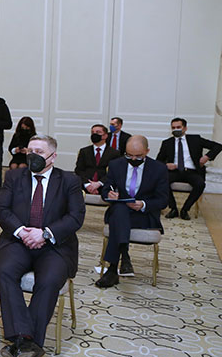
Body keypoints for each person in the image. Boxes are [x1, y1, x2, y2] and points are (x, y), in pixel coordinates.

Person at [0, 135, 84, 357]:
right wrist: (22, 232)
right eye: (29, 151)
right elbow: (1, 209)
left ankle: (23, 345)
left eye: (39, 152)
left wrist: (45, 234)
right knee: (5, 270)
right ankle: (25, 339)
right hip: (18, 240)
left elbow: (76, 217)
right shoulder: (14, 176)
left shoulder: (69, 180)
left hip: (55, 245)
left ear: (53, 157)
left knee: (49, 280)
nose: (32, 156)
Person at [97, 135, 169, 287]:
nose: (133, 159)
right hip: (120, 211)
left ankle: (113, 269)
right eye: (129, 155)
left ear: (147, 151)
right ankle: (123, 254)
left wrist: (143, 204)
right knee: (120, 210)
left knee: (118, 218)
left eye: (138, 156)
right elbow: (105, 189)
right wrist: (109, 194)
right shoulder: (116, 164)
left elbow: (163, 200)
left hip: (144, 215)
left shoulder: (158, 168)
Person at [156, 118, 221, 220]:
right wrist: (166, 165)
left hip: (192, 171)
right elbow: (158, 161)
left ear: (185, 128)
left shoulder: (195, 139)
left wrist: (207, 157)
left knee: (200, 184)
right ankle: (173, 209)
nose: (176, 129)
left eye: (178, 127)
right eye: (173, 128)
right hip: (174, 171)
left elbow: (218, 146)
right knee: (161, 182)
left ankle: (185, 210)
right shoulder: (167, 143)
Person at [74, 124, 120, 194]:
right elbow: (79, 170)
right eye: (93, 132)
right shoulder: (84, 151)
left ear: (105, 136)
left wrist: (99, 183)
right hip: (85, 186)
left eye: (98, 132)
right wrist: (88, 185)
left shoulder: (114, 153)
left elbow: (115, 172)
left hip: (105, 186)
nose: (94, 134)